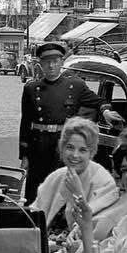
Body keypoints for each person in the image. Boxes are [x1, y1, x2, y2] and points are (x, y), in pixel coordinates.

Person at [32, 117, 127, 253]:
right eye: (70, 147)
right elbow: (34, 214)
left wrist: (77, 193)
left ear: (91, 153)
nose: (75, 155)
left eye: (82, 150)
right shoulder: (56, 176)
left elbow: (91, 230)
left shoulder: (104, 181)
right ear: (62, 148)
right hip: (42, 250)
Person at [19, 41, 101, 203]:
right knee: (36, 191)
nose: (51, 66)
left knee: (61, 189)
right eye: (47, 62)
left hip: (62, 145)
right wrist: (24, 155)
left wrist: (106, 110)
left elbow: (97, 101)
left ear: (61, 63)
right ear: (40, 64)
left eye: (55, 62)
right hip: (38, 146)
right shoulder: (31, 88)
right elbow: (25, 122)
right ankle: (36, 224)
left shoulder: (75, 85)